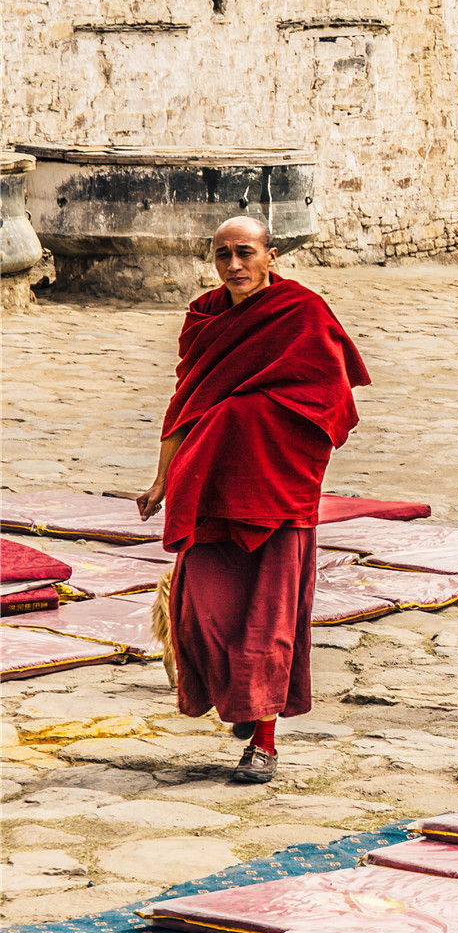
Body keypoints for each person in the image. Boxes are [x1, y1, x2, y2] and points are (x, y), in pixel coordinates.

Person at [136, 217, 369, 783]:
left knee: (268, 623)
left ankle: (262, 743)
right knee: (198, 618)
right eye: (223, 256)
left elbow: (330, 405)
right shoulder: (205, 318)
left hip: (276, 488)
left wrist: (256, 420)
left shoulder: (303, 313)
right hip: (209, 486)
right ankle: (241, 702)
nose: (234, 265)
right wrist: (161, 477)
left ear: (271, 254)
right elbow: (186, 400)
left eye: (245, 253)